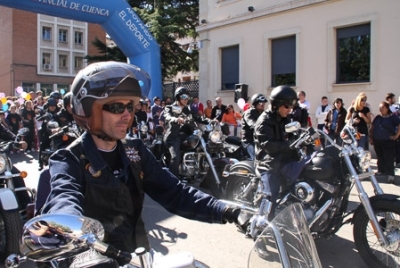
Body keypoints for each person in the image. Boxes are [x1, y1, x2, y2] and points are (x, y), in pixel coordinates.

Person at [40, 62, 242, 266]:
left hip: (138, 258)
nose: (128, 115)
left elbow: (175, 192)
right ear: (88, 110)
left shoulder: (134, 149)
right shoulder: (69, 159)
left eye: (131, 106)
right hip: (94, 261)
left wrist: (227, 211)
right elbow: (63, 197)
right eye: (117, 107)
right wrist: (69, 225)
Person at [254, 85, 300, 221]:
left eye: (291, 106)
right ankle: (260, 227)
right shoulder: (264, 121)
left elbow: (293, 135)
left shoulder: (284, 118)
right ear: (276, 105)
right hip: (268, 163)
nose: (290, 109)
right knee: (270, 194)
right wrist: (289, 145)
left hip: (283, 159)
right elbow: (269, 147)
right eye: (287, 106)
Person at [163, 87, 211, 178]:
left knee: (205, 147)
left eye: (188, 97)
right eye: (184, 96)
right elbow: (167, 116)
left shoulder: (187, 109)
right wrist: (176, 119)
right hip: (173, 136)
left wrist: (209, 121)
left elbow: (197, 117)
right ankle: (173, 181)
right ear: (178, 97)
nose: (186, 99)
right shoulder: (169, 107)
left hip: (186, 136)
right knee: (175, 157)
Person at [369, 101, 400, 183]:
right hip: (377, 140)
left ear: (387, 108)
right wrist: (371, 137)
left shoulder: (392, 117)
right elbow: (372, 127)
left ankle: (390, 174)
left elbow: (399, 124)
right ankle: (381, 170)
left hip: (388, 141)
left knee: (388, 157)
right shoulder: (378, 117)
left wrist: (396, 135)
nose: (381, 109)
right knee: (380, 156)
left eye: (382, 107)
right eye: (380, 107)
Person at [241, 93, 268, 160]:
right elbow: (252, 124)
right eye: (260, 103)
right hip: (249, 141)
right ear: (255, 103)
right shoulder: (248, 113)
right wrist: (261, 127)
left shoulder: (264, 113)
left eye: (264, 103)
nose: (263, 104)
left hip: (260, 140)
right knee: (255, 159)